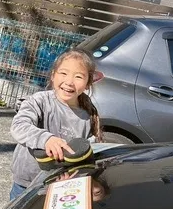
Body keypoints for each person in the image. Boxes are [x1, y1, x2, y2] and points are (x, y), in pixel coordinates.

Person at [10, 49, 103, 200]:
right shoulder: (40, 101)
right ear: (53, 75)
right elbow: (19, 125)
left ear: (87, 84)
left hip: (62, 188)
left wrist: (78, 178)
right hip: (26, 185)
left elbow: (87, 153)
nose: (69, 81)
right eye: (63, 73)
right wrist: (46, 139)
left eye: (78, 76)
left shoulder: (87, 115)